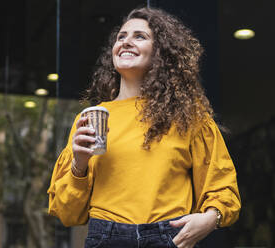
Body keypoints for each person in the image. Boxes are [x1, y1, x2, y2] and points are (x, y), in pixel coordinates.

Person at [48, 7, 241, 248]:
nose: (126, 41)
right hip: (106, 238)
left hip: (169, 237)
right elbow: (68, 214)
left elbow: (222, 186)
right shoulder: (91, 120)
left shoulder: (189, 118)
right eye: (121, 37)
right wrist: (79, 164)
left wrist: (211, 219)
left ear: (162, 53)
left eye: (139, 36)